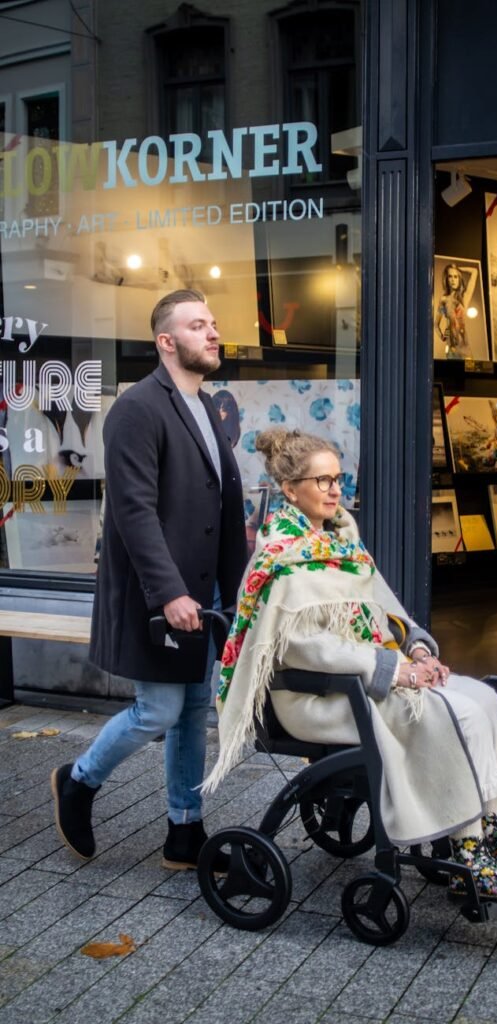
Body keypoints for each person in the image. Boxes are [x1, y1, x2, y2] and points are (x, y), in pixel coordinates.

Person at [203, 428, 497, 903]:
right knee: (449, 714)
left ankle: (491, 827)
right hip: (315, 695)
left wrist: (418, 650)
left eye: (337, 478)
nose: (335, 490)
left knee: (481, 697)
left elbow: (385, 608)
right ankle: (468, 853)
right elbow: (308, 649)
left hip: (360, 678)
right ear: (290, 490)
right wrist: (395, 669)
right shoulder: (281, 557)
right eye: (322, 480)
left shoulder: (342, 542)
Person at [51, 289, 248, 870]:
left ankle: (184, 830)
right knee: (158, 711)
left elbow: (218, 503)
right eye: (197, 325)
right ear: (166, 341)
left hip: (208, 591)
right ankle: (78, 781)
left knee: (192, 710)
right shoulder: (137, 408)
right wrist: (169, 592)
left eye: (213, 323)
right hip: (161, 593)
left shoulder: (206, 406)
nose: (212, 333)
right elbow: (133, 511)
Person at [434, 262, 478, 358]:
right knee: (453, 368)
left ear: (459, 279)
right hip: (451, 349)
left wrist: (458, 269)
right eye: (450, 276)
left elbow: (474, 271)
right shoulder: (443, 300)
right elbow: (436, 324)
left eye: (456, 276)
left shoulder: (464, 298)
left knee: (470, 367)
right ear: (446, 279)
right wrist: (442, 336)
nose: (453, 280)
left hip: (465, 347)